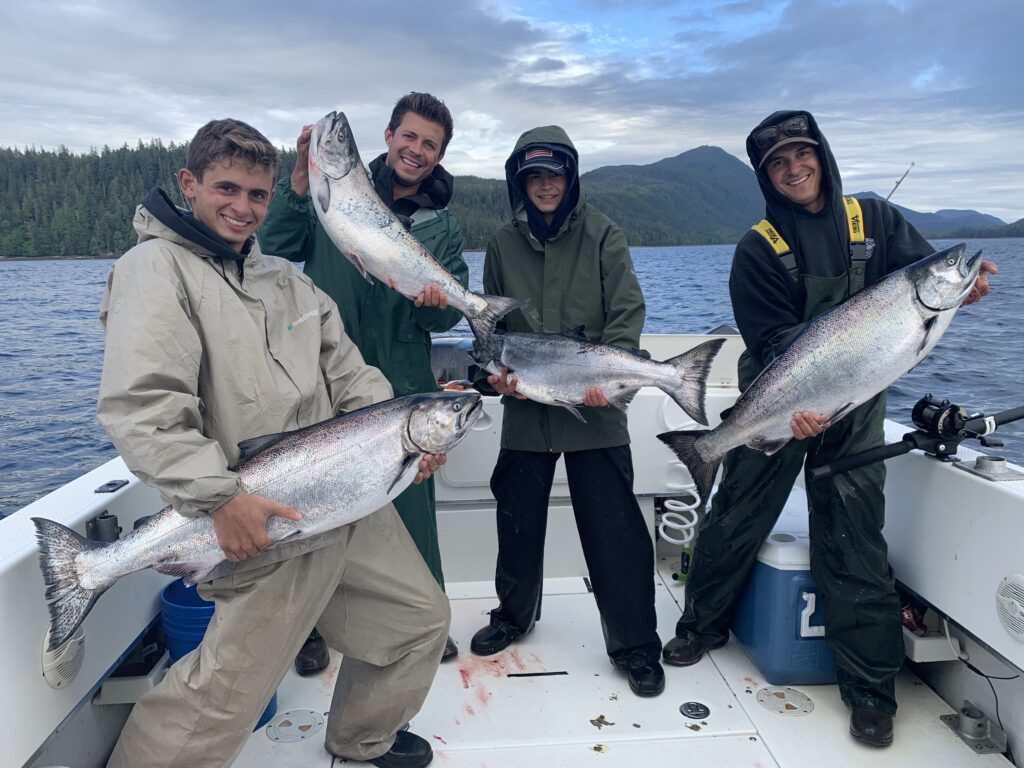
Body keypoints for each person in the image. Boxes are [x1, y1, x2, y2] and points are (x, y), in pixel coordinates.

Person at [100, 118, 448, 768]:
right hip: (255, 519)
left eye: (257, 195)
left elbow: (353, 377)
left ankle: (359, 738)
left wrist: (400, 439)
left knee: (418, 622)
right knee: (219, 699)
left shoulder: (289, 283)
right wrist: (221, 499)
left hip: (344, 502)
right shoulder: (154, 271)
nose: (242, 208)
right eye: (226, 188)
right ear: (189, 184)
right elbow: (144, 406)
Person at [661, 110, 997, 747]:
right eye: (777, 163)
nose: (794, 169)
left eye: (801, 153)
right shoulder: (758, 247)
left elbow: (930, 283)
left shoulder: (874, 218)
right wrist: (796, 415)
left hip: (859, 399)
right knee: (736, 514)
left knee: (853, 533)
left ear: (821, 152)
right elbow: (773, 341)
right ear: (766, 175)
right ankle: (702, 625)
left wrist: (965, 288)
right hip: (784, 398)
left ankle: (870, 690)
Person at [260, 92, 467, 670]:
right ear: (389, 135)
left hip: (401, 375)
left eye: (430, 144)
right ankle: (309, 633)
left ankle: (429, 621)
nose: (416, 150)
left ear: (440, 154)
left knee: (413, 503)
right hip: (324, 370)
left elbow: (446, 312)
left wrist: (433, 305)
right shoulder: (335, 194)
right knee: (310, 502)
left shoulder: (443, 226)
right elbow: (277, 245)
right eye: (410, 137)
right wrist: (298, 177)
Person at [468, 126, 665, 698]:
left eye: (555, 175)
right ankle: (513, 614)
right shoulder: (504, 243)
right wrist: (494, 373)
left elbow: (627, 310)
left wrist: (612, 374)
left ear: (571, 177)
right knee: (517, 523)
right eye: (534, 176)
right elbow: (491, 327)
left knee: (615, 532)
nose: (545, 185)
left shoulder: (605, 234)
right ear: (520, 182)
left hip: (597, 408)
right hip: (527, 409)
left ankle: (634, 644)